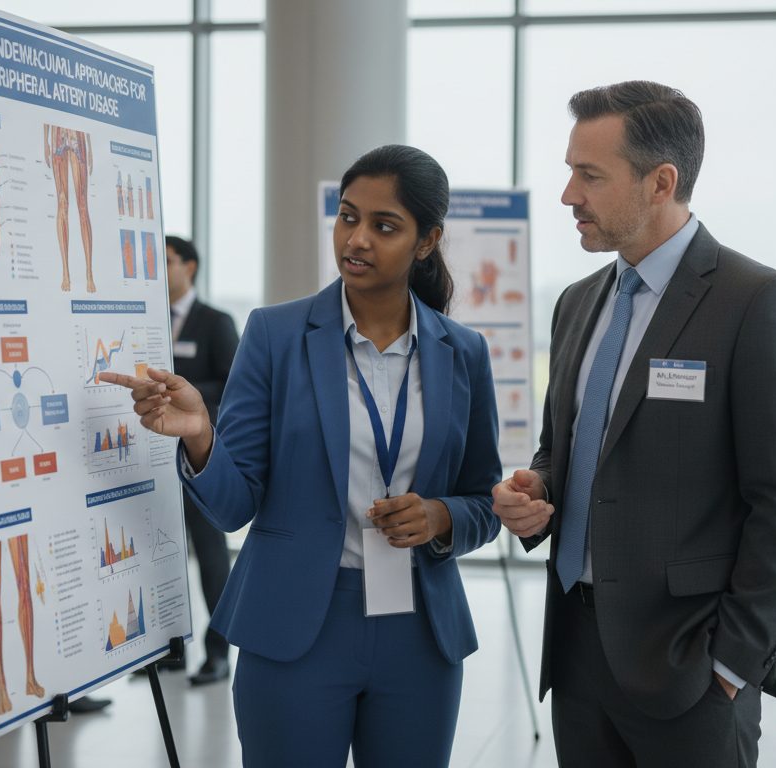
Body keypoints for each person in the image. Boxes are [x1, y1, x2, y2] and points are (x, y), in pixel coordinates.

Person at [101, 144, 503, 767]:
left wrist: (443, 516)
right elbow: (234, 506)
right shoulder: (275, 334)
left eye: (384, 225)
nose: (357, 239)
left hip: (420, 631)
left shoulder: (464, 353)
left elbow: (484, 495)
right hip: (295, 625)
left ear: (427, 242)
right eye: (348, 216)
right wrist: (201, 435)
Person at [489, 81, 776, 767]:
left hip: (692, 668)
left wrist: (732, 664)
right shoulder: (578, 303)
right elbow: (565, 448)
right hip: (578, 653)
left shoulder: (756, 302)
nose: (568, 197)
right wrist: (537, 495)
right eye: (569, 172)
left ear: (660, 183)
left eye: (589, 175)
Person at [164, 235, 239, 685]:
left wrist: (186, 399)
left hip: (200, 458)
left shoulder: (215, 321)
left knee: (211, 556)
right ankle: (168, 650)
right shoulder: (148, 320)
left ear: (190, 267)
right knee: (159, 554)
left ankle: (218, 653)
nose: (158, 269)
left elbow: (235, 385)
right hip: (150, 460)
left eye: (166, 260)